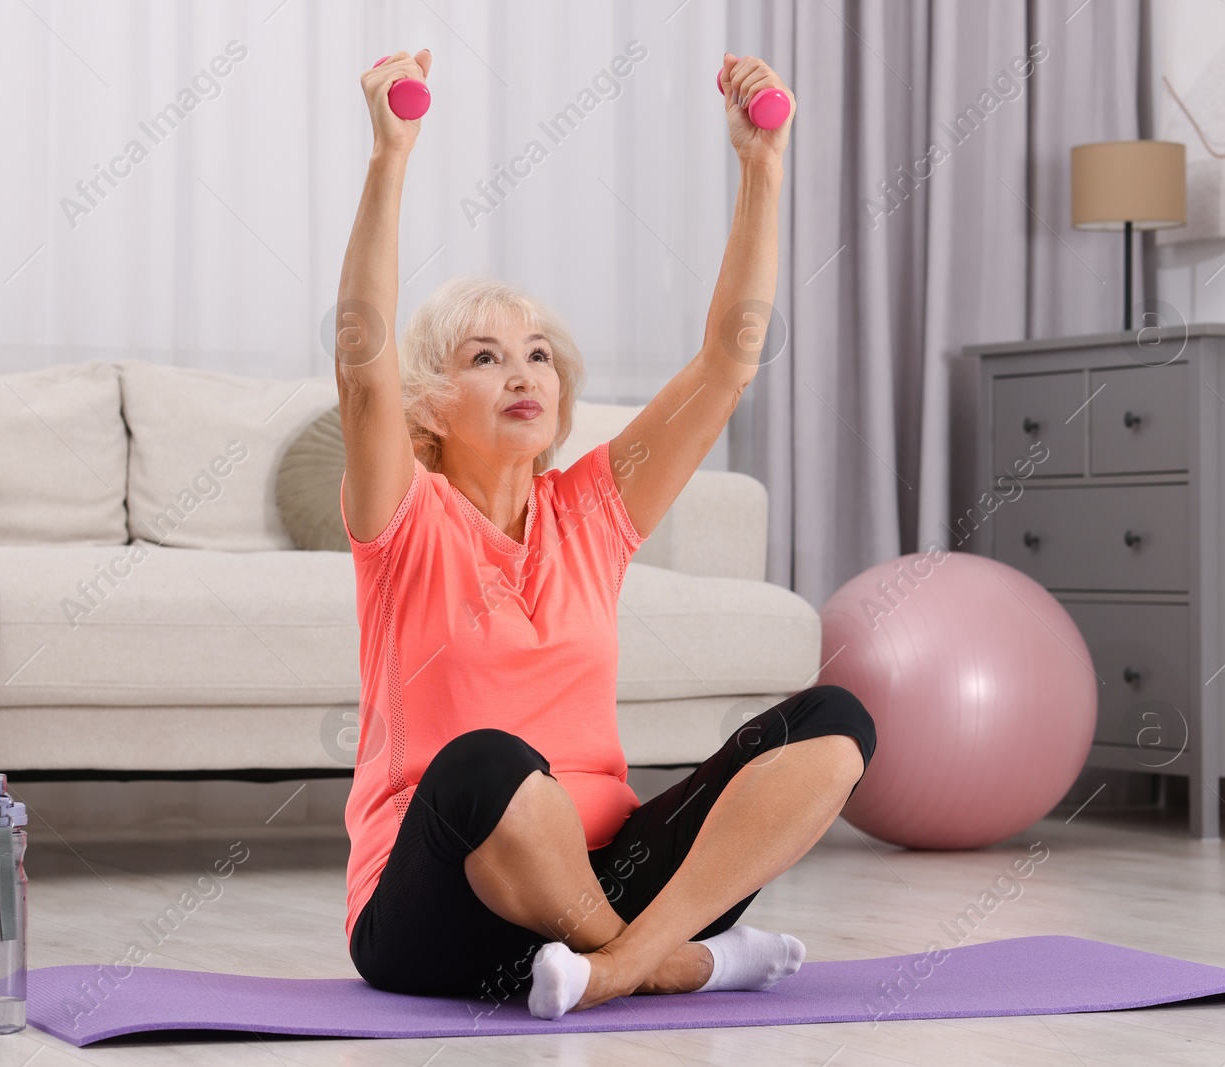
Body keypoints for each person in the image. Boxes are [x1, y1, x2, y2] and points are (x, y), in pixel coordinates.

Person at [335, 48, 875, 1021]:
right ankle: (676, 962)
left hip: (610, 875)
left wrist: (762, 170)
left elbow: (726, 361)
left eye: (537, 354)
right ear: (427, 407)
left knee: (833, 723)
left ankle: (615, 962)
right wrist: (390, 158)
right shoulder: (405, 518)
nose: (521, 373)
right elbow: (361, 365)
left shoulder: (588, 509)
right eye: (485, 356)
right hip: (437, 910)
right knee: (488, 762)